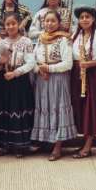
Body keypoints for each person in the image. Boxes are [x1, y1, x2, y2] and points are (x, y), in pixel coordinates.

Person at [31, 10, 76, 161]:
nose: (49, 24)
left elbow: (68, 64)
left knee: (58, 109)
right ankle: (46, 141)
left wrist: (49, 69)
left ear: (59, 23)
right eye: (46, 21)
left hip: (58, 79)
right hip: (42, 80)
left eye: (53, 21)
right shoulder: (40, 39)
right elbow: (34, 59)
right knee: (46, 109)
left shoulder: (63, 40)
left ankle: (58, 145)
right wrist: (39, 69)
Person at [70, 6, 96, 159]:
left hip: (92, 76)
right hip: (76, 75)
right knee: (79, 108)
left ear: (93, 19)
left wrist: (90, 64)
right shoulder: (75, 35)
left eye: (88, 17)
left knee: (90, 109)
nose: (84, 19)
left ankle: (88, 145)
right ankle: (84, 142)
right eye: (82, 17)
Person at [0, 12, 36, 157]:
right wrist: (1, 62)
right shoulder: (1, 43)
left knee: (18, 111)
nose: (11, 26)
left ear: (19, 25)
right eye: (8, 24)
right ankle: (5, 145)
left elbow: (31, 63)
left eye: (13, 23)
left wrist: (16, 73)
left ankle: (20, 146)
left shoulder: (26, 42)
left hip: (20, 81)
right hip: (4, 81)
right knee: (4, 110)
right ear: (4, 27)